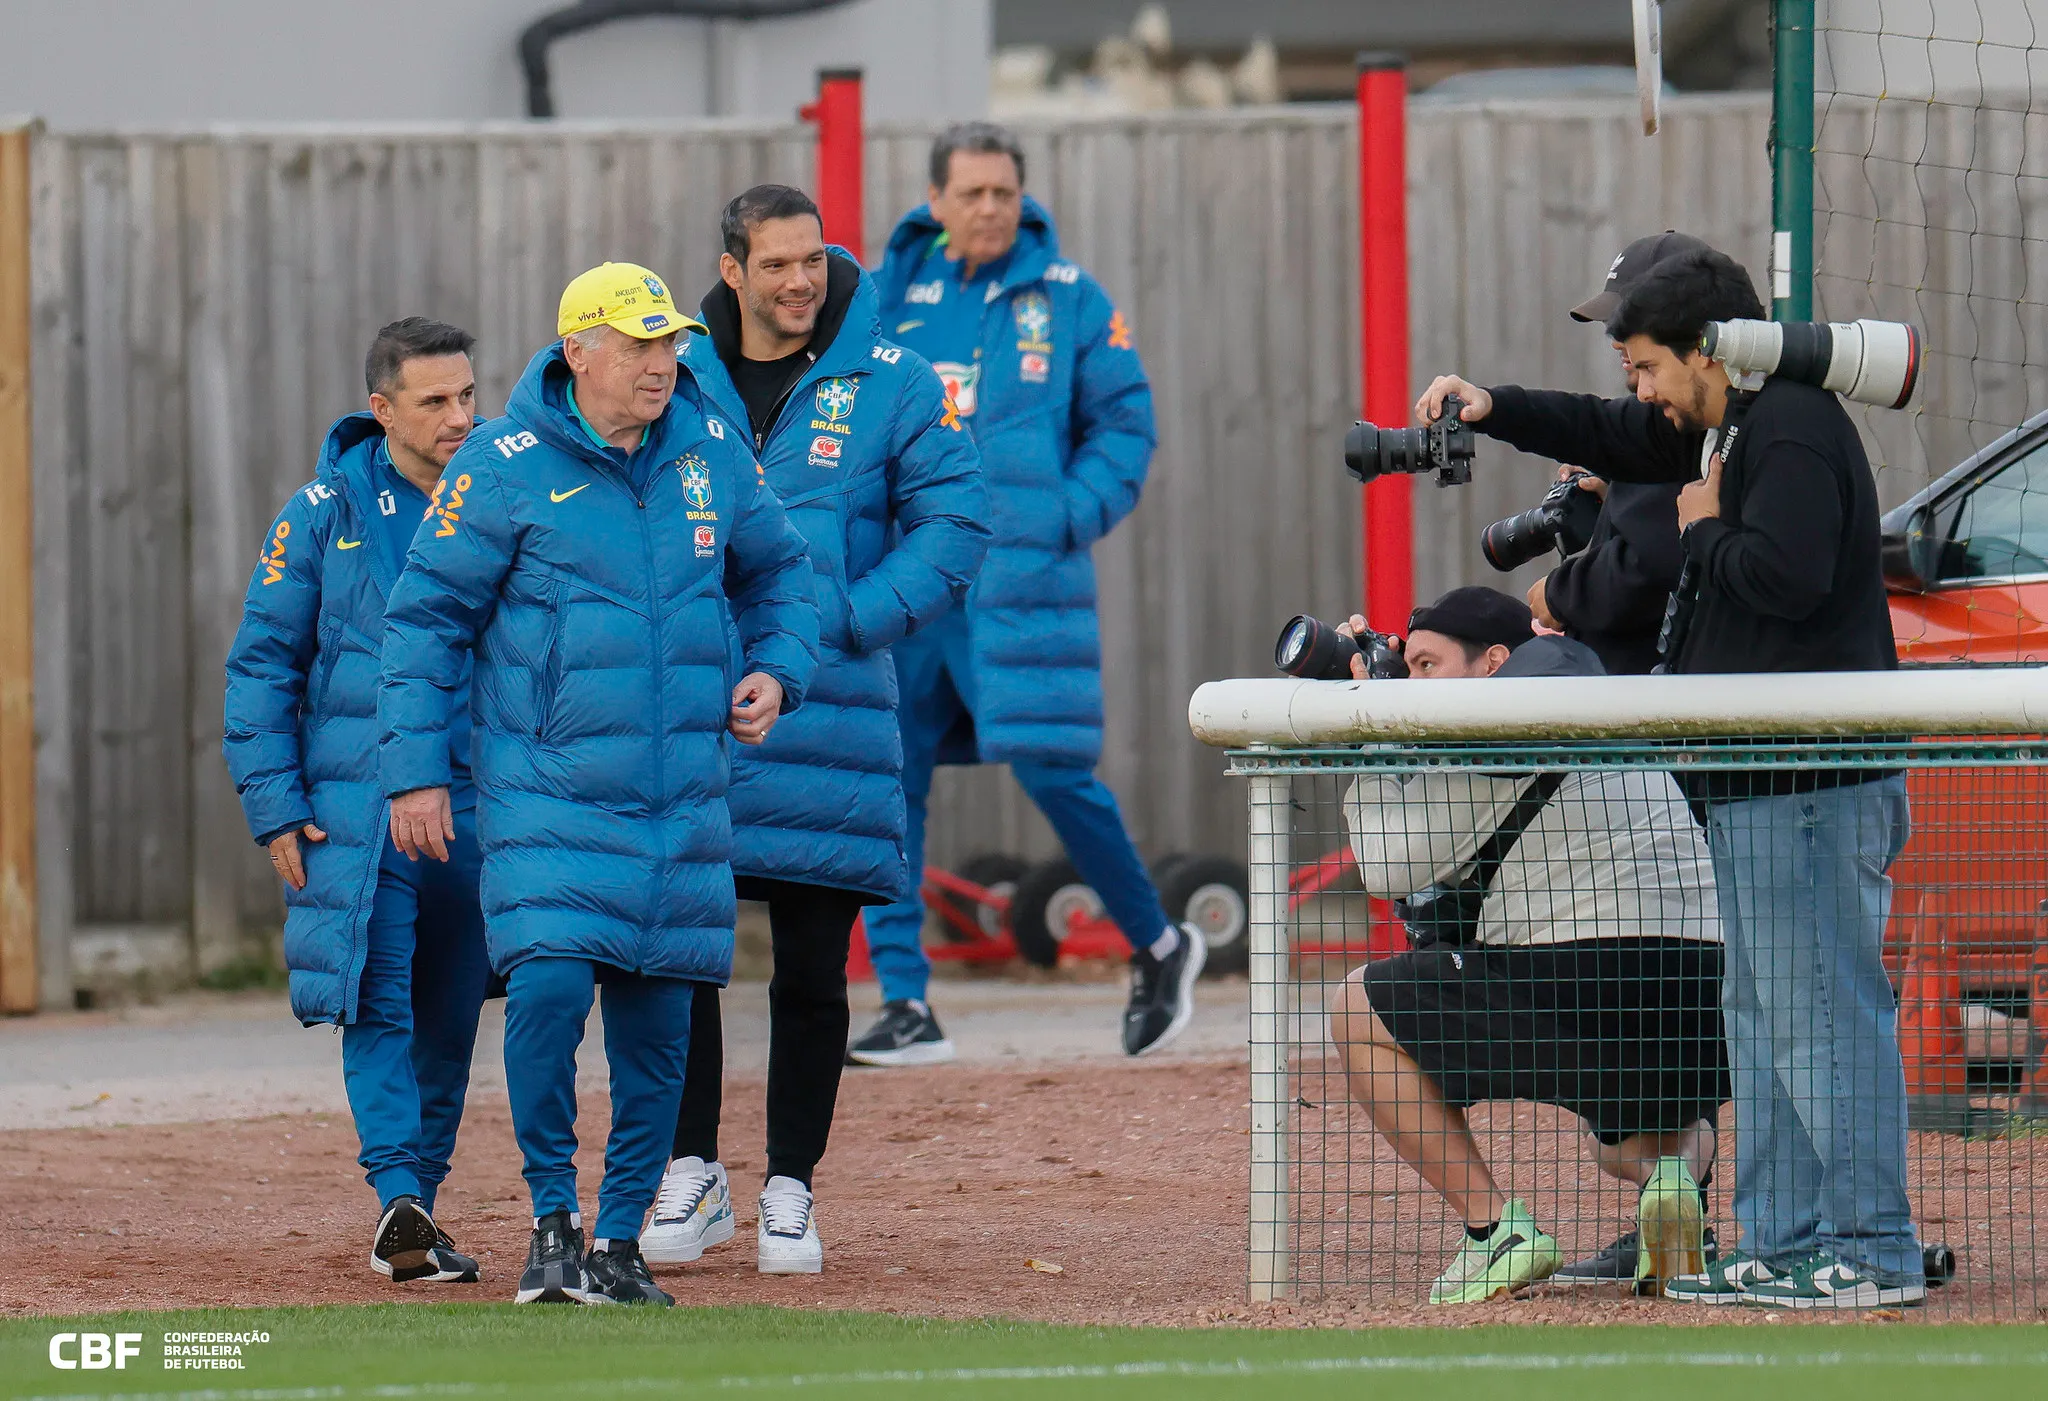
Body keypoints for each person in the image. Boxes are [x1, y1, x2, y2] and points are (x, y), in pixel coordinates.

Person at [1417, 247, 1923, 1309]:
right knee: (1764, 1012)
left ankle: (1869, 1251)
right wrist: (1493, 403)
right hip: (1753, 784)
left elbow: (1780, 579)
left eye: (1645, 365)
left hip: (1806, 781)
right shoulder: (1727, 420)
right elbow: (1611, 434)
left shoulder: (1784, 428)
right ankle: (1780, 1245)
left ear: (1708, 351)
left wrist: (1697, 533)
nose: (1635, 390)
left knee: (1821, 1013)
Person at [377, 263, 819, 1308]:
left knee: (660, 1024)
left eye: (668, 343)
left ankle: (617, 1242)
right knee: (546, 992)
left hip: (679, 800)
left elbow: (781, 570)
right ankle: (549, 1221)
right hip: (545, 790)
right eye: (637, 345)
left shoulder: (708, 450)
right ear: (579, 353)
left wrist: (777, 669)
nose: (662, 363)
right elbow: (423, 618)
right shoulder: (503, 464)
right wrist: (413, 776)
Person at [641, 186, 989, 1274]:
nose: (800, 281)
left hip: (831, 713)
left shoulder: (894, 380)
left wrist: (839, 621)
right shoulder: (675, 374)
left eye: (813, 260)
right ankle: (690, 1177)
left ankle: (789, 1188)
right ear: (730, 269)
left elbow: (956, 524)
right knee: (679, 959)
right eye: (777, 264)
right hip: (689, 712)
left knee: (808, 969)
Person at [859, 120, 1204, 1065]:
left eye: (1004, 192)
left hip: (1020, 584)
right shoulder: (885, 297)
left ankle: (1161, 944)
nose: (990, 209)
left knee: (1057, 771)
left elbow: (1126, 422)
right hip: (909, 583)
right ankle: (906, 1004)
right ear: (935, 202)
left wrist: (1065, 512)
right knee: (890, 785)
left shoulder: (1070, 297)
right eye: (971, 193)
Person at [1324, 586, 1728, 1305]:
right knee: (1622, 1143)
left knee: (1357, 1006)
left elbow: (1388, 868)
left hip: (1580, 974)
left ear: (1496, 662)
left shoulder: (1498, 717)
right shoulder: (1602, 706)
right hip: (1710, 996)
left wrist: (1370, 737)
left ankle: (1494, 1233)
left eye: (1426, 663)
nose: (1414, 683)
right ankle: (1674, 1181)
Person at [223, 317, 490, 1286]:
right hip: (356, 810)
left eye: (467, 394)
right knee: (376, 1000)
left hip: (476, 808)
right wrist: (273, 804)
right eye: (435, 401)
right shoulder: (320, 513)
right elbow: (262, 667)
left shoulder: (501, 495)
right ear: (382, 410)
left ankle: (419, 1201)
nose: (460, 416)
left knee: (454, 1010)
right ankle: (397, 1198)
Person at [1523, 232, 1704, 678]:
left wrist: (1559, 593)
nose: (1615, 340)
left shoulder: (1683, 418)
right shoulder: (1663, 413)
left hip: (1663, 713)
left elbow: (1651, 568)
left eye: (1627, 321)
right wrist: (1616, 496)